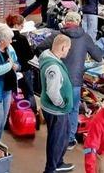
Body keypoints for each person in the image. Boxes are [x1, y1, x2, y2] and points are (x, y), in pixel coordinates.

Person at [36, 11, 103, 150]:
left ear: (66, 22)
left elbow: (39, 47)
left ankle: (57, 138)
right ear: (78, 22)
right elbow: (98, 57)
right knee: (72, 109)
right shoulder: (85, 37)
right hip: (75, 79)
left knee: (58, 109)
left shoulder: (57, 36)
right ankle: (70, 139)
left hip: (56, 77)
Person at [39, 34, 74, 173]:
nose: (68, 51)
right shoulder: (54, 68)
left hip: (56, 109)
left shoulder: (47, 57)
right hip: (56, 110)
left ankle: (58, 162)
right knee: (56, 139)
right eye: (68, 49)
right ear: (63, 47)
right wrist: (61, 104)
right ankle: (51, 168)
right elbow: (52, 92)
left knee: (62, 137)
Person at [7, 14, 38, 120]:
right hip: (24, 69)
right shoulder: (22, 39)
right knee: (29, 92)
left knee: (8, 96)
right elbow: (30, 55)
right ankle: (34, 117)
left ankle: (7, 120)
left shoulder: (5, 38)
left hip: (9, 71)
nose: (22, 28)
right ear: (16, 25)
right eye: (22, 25)